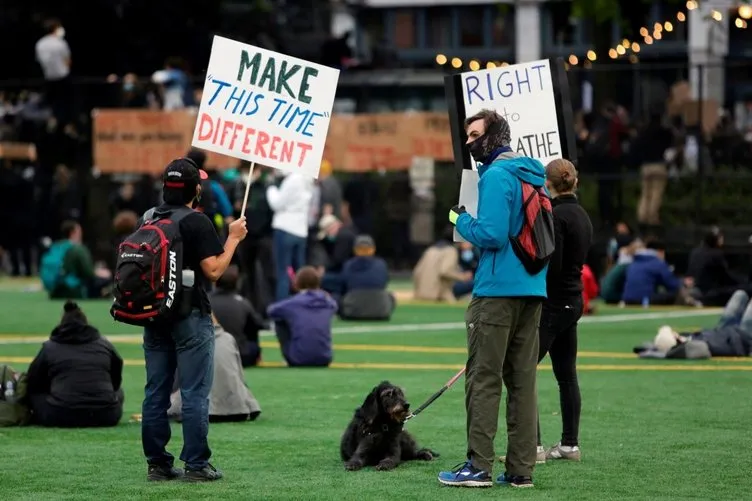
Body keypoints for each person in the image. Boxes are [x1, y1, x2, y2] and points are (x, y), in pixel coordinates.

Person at [438, 109, 547, 489]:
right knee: (522, 381)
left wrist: (459, 220)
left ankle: (478, 466)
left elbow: (493, 234)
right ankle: (521, 470)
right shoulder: (534, 175)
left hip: (497, 291)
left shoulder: (498, 175)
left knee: (483, 380)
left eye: (473, 136)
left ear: (492, 137)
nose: (468, 143)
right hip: (532, 288)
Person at [140, 157, 248, 483]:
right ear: (196, 190)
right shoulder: (196, 221)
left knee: (156, 391)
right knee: (194, 393)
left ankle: (157, 464)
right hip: (190, 314)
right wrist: (233, 239)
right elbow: (214, 271)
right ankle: (196, 465)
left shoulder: (148, 217)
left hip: (154, 313)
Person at [534, 159, 592, 463]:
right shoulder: (581, 215)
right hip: (574, 300)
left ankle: (533, 446)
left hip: (554, 302)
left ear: (548, 183)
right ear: (574, 181)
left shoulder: (555, 216)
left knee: (522, 371)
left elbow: (551, 266)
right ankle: (570, 445)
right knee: (567, 375)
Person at [25, 301, 124, 427]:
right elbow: (116, 380)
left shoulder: (50, 348)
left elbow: (33, 382)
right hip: (107, 415)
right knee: (118, 392)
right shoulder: (105, 345)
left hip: (61, 415)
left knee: (35, 395)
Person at [167, 314, 262, 423]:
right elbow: (240, 377)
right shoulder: (228, 338)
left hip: (202, 409)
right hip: (237, 409)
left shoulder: (189, 340)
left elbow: (181, 379)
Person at [267, 266, 337, 367]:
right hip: (325, 358)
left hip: (298, 359)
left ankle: (289, 354)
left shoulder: (293, 303)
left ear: (297, 283)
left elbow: (271, 310)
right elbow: (334, 306)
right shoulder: (327, 302)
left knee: (280, 321)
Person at [266, 170, 314, 302]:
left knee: (282, 273)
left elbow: (276, 204)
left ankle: (281, 313)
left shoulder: (293, 179)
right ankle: (304, 305)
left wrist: (271, 188)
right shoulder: (307, 179)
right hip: (301, 230)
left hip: (285, 228)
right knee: (301, 273)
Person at [210, 265, 265, 367]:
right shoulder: (242, 303)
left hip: (210, 353)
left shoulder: (206, 301)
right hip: (239, 354)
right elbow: (258, 325)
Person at [339, 235, 395, 320]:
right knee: (390, 296)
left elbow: (343, 286)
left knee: (337, 296)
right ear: (373, 249)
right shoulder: (381, 264)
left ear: (355, 250)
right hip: (381, 312)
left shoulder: (348, 265)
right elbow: (384, 283)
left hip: (352, 312)